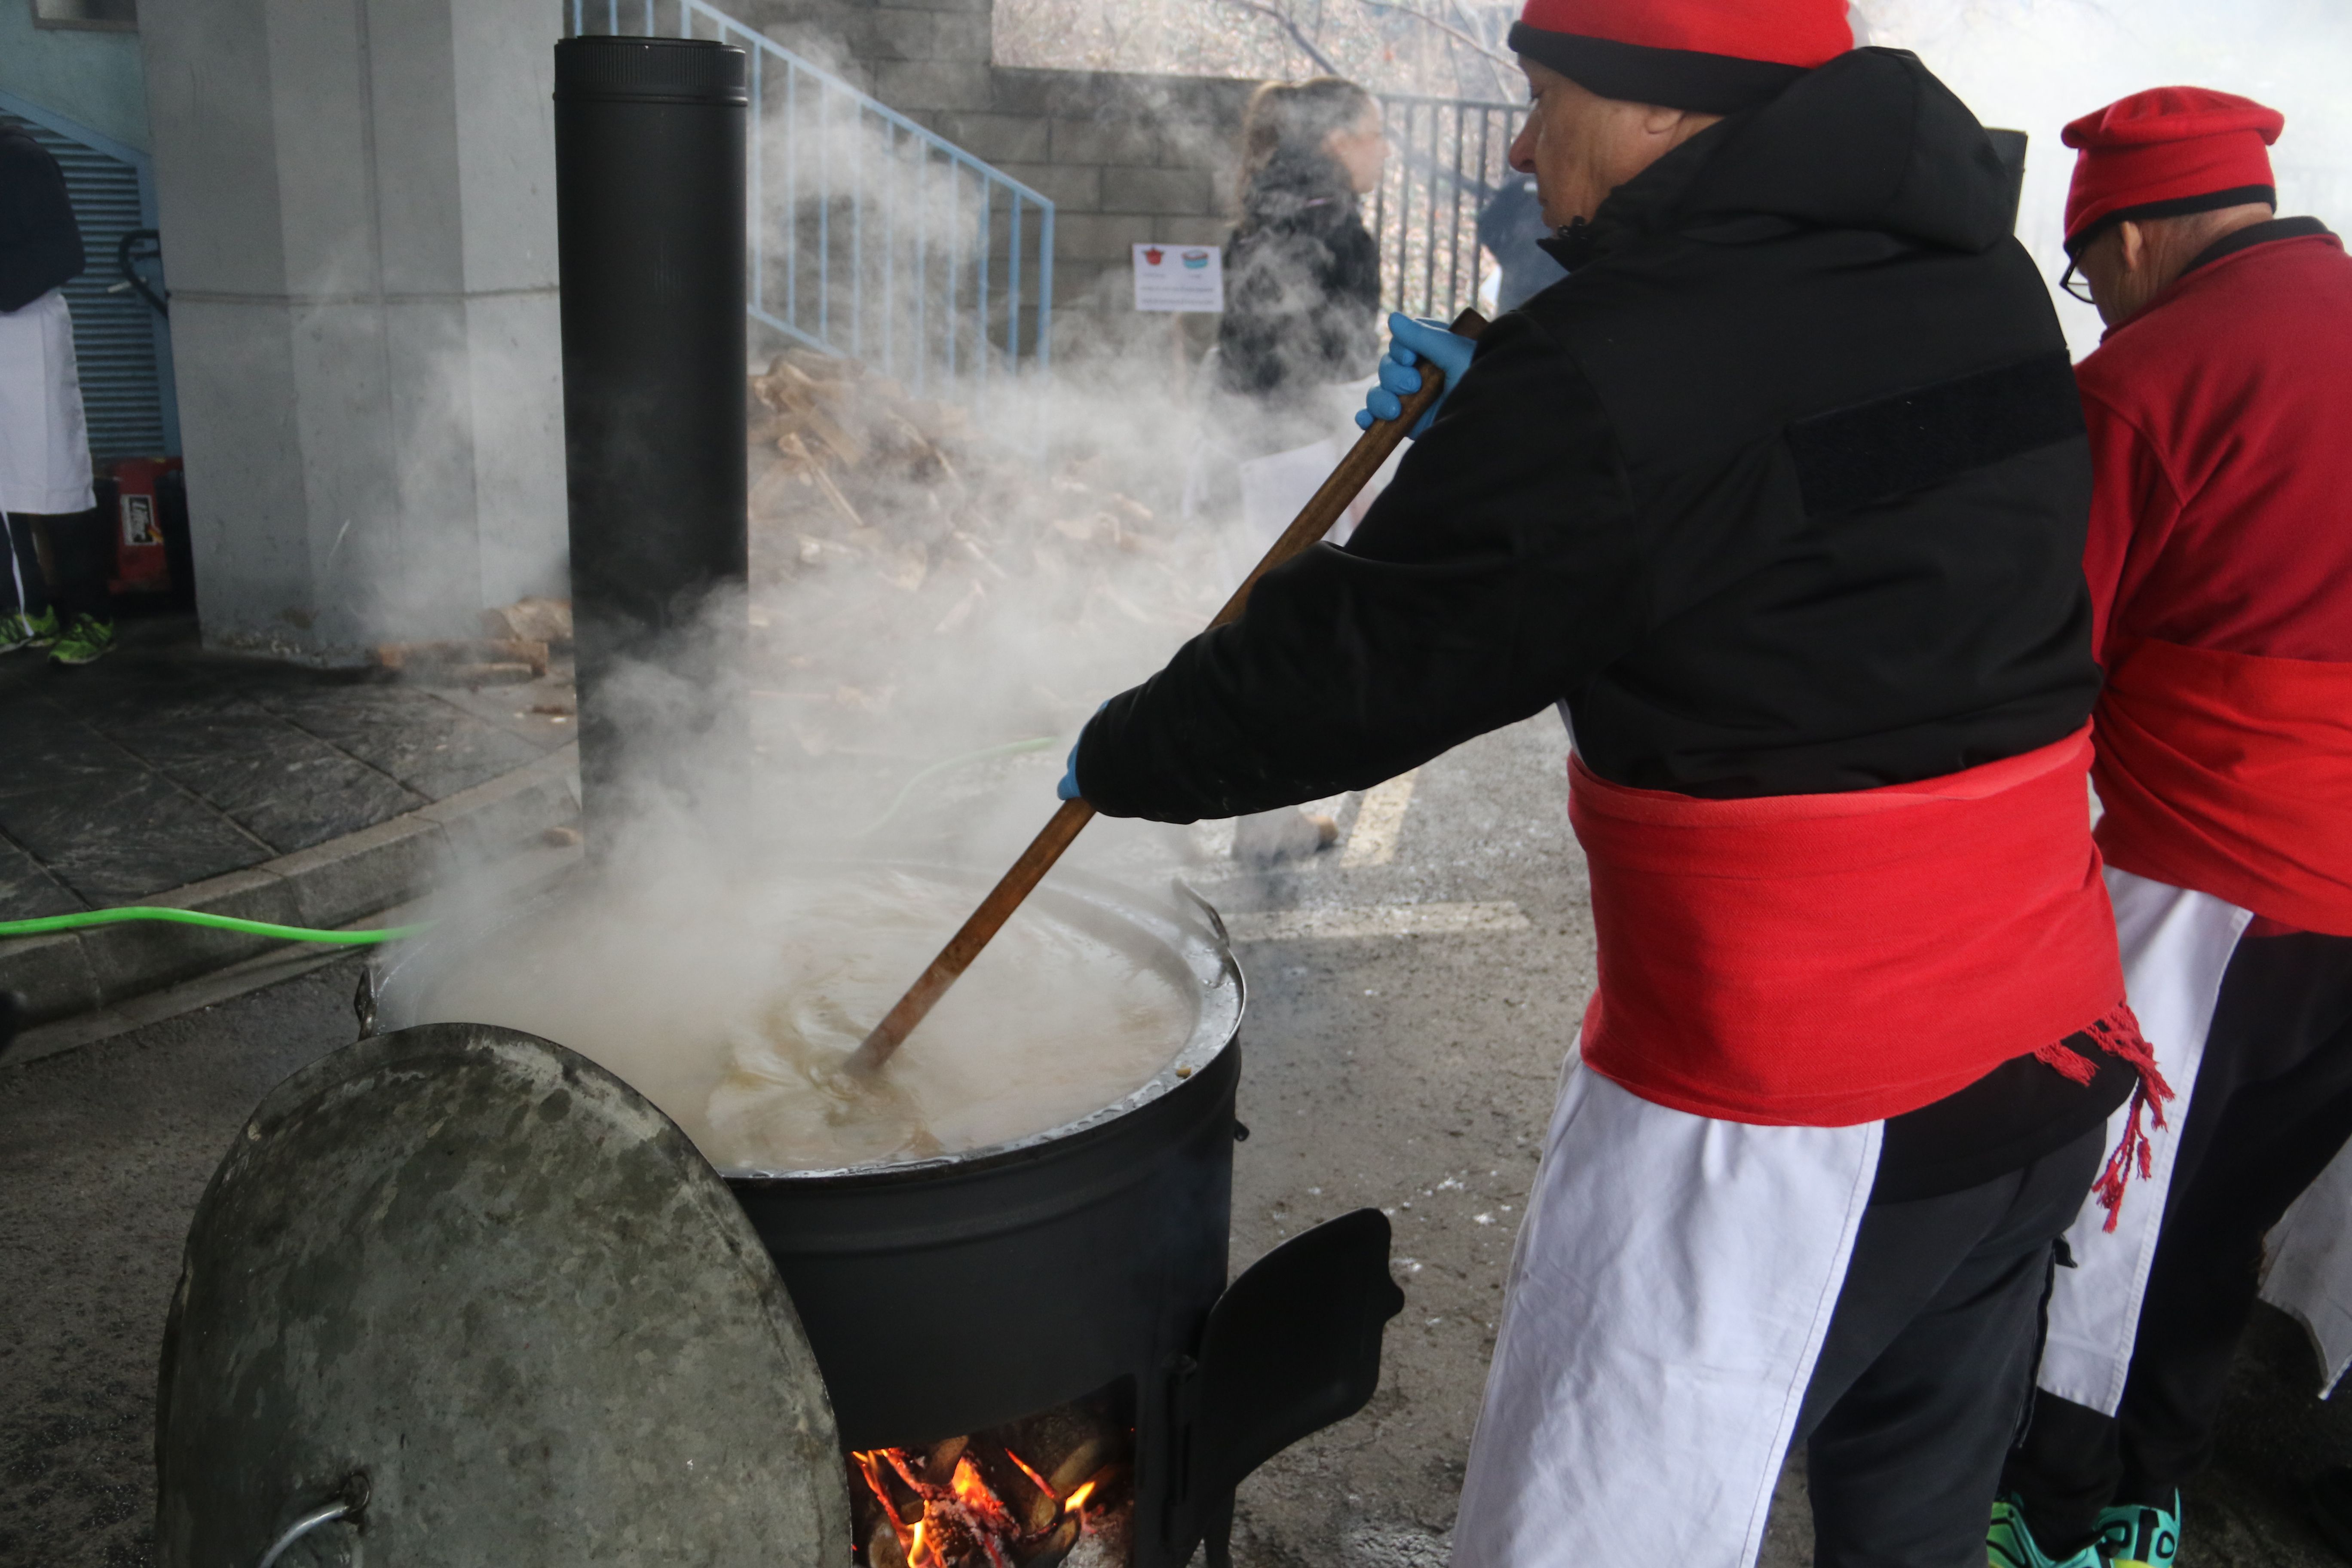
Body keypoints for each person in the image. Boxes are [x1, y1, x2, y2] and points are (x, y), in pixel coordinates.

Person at [1057, 0, 2155, 1559]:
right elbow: (1783, 458)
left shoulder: (1619, 364)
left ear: (1662, 111)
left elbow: (1383, 658)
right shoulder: (1969, 271)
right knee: (1906, 1501)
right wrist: (1524, 378)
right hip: (2040, 1044)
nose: (1515, 141)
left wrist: (1129, 745)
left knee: (1604, 1510)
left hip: (1797, 1103)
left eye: (1547, 94)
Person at [1988, 88, 2352, 1568]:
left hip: (2206, 877)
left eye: (2092, 273)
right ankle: (2157, 1488)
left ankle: (2061, 1508)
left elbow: (2046, 644)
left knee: (2112, 1209)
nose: (2098, 304)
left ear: (2130, 232)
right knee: (2236, 1203)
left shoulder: (2151, 375)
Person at [1193, 77, 1389, 862]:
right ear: (1338, 138)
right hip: (1298, 453)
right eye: (1375, 133)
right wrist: (1369, 460)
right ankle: (1264, 823)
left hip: (1252, 444)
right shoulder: (1333, 220)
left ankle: (1255, 813)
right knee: (1293, 634)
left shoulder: (1269, 203)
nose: (1383, 150)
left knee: (1264, 626)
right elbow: (1339, 363)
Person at [0, 119, 115, 666]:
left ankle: (92, 616)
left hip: (26, 331)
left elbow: (64, 253)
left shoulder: (20, 159)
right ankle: (26, 612)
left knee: (53, 474)